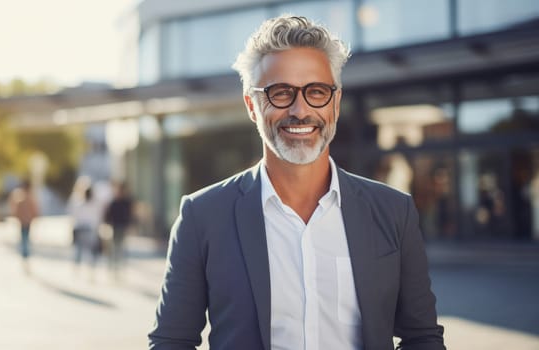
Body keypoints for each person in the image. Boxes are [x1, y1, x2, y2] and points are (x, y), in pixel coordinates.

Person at [149, 15, 445, 350]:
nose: (300, 110)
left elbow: (422, 338)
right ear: (251, 105)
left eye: (316, 91)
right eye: (280, 92)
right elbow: (171, 342)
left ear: (335, 101)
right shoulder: (202, 216)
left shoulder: (394, 211)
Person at [70, 186, 103, 274]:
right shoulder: (94, 205)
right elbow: (98, 218)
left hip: (81, 228)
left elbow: (75, 216)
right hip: (89, 229)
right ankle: (91, 269)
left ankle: (77, 269)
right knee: (90, 251)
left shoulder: (79, 204)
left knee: (79, 250)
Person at [8, 180, 39, 272]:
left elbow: (16, 210)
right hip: (26, 222)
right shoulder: (26, 198)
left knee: (24, 239)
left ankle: (25, 255)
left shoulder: (22, 198)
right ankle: (25, 255)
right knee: (25, 239)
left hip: (25, 222)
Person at [104, 181, 134, 275]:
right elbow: (108, 215)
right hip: (114, 227)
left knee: (121, 248)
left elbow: (130, 215)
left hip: (122, 227)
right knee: (114, 248)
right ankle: (112, 268)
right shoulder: (114, 202)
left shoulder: (127, 202)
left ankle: (120, 269)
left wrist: (130, 225)